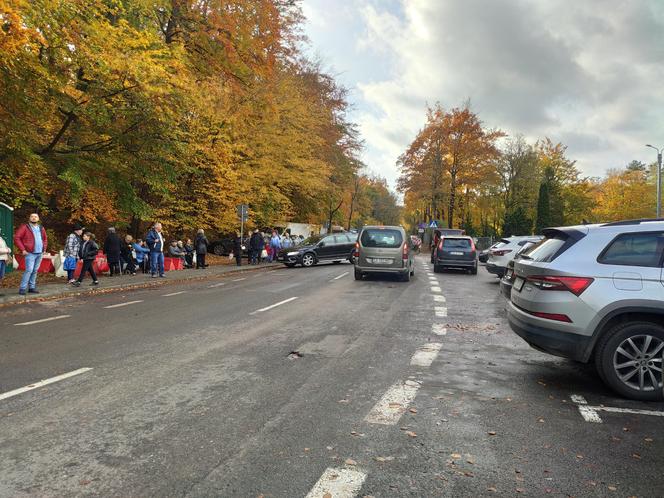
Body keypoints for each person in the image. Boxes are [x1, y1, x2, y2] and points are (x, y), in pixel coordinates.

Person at [14, 213, 48, 295]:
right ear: (29, 218)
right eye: (32, 216)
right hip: (30, 253)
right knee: (29, 270)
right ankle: (22, 288)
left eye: (35, 216)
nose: (33, 218)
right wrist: (23, 249)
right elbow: (17, 238)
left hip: (39, 253)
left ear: (38, 219)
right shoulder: (25, 227)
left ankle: (32, 287)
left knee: (35, 270)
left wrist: (44, 249)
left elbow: (45, 239)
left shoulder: (41, 228)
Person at [0, 228, 12, 292]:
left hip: (3, 259)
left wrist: (8, 250)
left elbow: (7, 247)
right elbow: (7, 249)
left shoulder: (1, 239)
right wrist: (7, 250)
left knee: (1, 276)